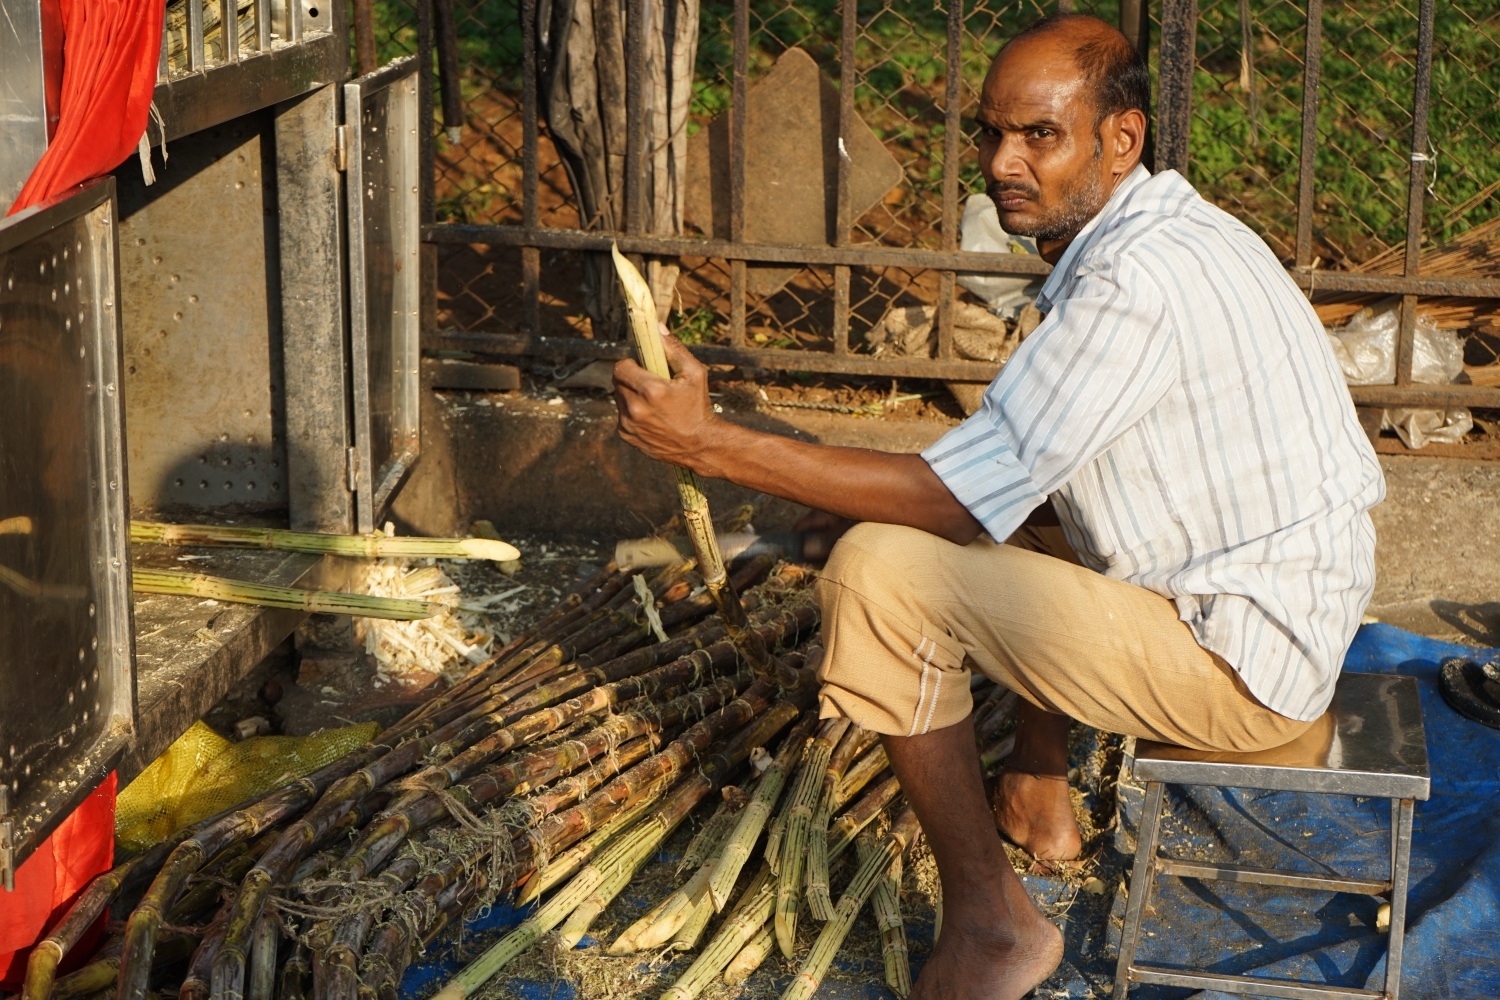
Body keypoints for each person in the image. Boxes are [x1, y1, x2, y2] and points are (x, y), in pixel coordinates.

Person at [612, 12, 1384, 999]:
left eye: (1041, 136)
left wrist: (709, 442)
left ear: (1122, 137)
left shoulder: (1133, 284)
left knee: (883, 573)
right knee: (1009, 513)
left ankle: (991, 924)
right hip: (1275, 623)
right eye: (991, 132)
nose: (1004, 162)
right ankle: (1040, 793)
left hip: (1242, 670)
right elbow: (1010, 484)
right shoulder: (1173, 228)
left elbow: (947, 499)